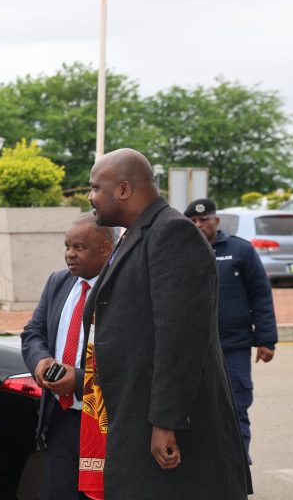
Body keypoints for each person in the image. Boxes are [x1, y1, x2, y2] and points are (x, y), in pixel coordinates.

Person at [85, 148, 251, 499]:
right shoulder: (136, 233)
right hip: (134, 410)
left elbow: (180, 337)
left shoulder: (172, 232)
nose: (90, 196)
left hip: (165, 423)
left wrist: (166, 422)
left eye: (96, 187)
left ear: (124, 190)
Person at [21, 213, 114, 500]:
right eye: (67, 246)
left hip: (104, 422)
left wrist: (79, 380)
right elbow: (33, 333)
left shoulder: (121, 289)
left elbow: (131, 360)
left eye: (80, 247)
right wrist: (41, 362)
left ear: (106, 248)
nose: (70, 254)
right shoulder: (58, 282)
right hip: (60, 419)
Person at [184, 197, 277, 458]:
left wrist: (266, 340)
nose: (199, 224)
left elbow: (261, 295)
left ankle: (239, 466)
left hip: (234, 346)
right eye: (193, 221)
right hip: (194, 349)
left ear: (216, 220)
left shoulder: (240, 250)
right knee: (197, 412)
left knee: (236, 408)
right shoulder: (181, 252)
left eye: (204, 219)